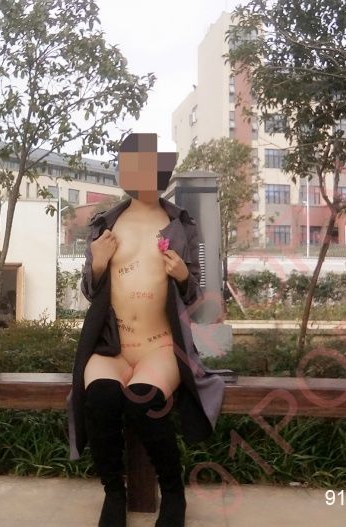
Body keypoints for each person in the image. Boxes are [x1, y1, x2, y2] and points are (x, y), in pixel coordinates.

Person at [65, 132, 226, 527]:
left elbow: (195, 295)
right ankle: (113, 494)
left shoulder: (180, 225)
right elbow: (89, 290)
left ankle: (173, 494)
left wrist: (183, 275)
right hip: (111, 347)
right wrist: (98, 263)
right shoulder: (105, 224)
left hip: (160, 346)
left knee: (143, 403)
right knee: (100, 398)